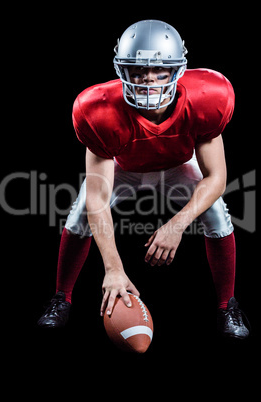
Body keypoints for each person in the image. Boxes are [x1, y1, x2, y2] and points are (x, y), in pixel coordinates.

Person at [38, 20, 249, 339]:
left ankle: (227, 305)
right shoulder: (98, 110)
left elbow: (216, 177)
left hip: (180, 164)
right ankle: (61, 298)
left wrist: (176, 225)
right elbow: (98, 196)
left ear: (178, 71)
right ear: (122, 70)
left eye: (159, 72)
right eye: (137, 71)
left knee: (216, 210)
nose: (148, 80)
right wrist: (113, 268)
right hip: (124, 168)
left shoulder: (208, 98)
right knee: (82, 209)